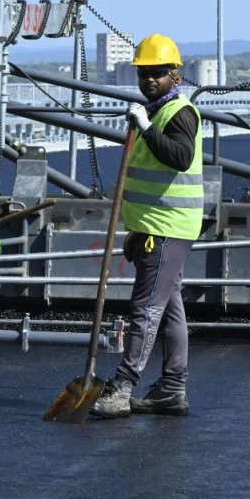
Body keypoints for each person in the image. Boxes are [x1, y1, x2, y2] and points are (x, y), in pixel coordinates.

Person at [91, 34, 204, 418]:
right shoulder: (157, 111)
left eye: (157, 73)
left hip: (168, 229)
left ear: (176, 74)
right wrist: (136, 230)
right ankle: (172, 388)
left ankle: (123, 386)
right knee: (169, 309)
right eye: (143, 73)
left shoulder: (179, 113)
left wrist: (145, 127)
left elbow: (180, 158)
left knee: (145, 310)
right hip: (156, 227)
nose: (149, 79)